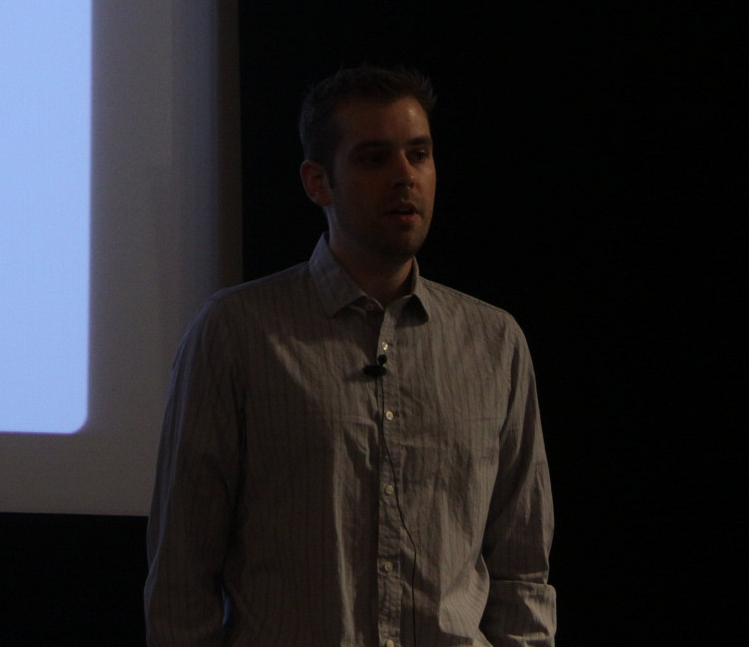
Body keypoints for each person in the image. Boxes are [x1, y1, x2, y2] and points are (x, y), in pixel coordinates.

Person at [145, 66, 555, 646]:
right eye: (374, 158)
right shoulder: (237, 333)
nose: (405, 176)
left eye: (419, 155)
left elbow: (523, 569)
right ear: (318, 182)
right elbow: (182, 575)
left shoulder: (494, 342)